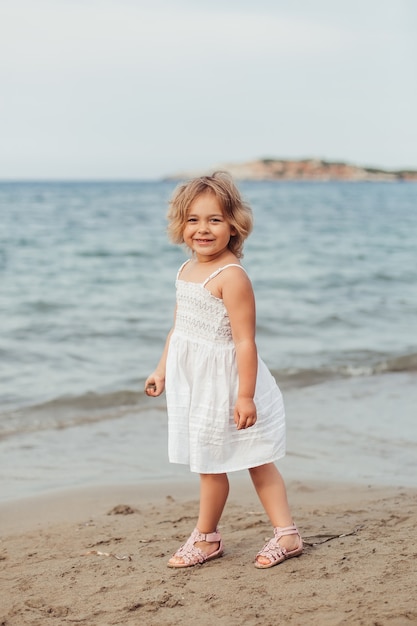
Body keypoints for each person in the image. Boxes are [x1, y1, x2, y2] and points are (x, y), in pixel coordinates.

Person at [145, 172, 302, 569]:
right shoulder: (184, 270)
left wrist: (245, 395)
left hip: (229, 384)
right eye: (193, 220)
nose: (203, 229)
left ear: (234, 226)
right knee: (207, 461)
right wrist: (162, 370)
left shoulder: (231, 277)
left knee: (254, 458)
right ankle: (212, 538)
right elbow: (179, 328)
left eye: (214, 219)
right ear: (181, 225)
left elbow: (245, 342)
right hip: (196, 384)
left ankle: (273, 535)